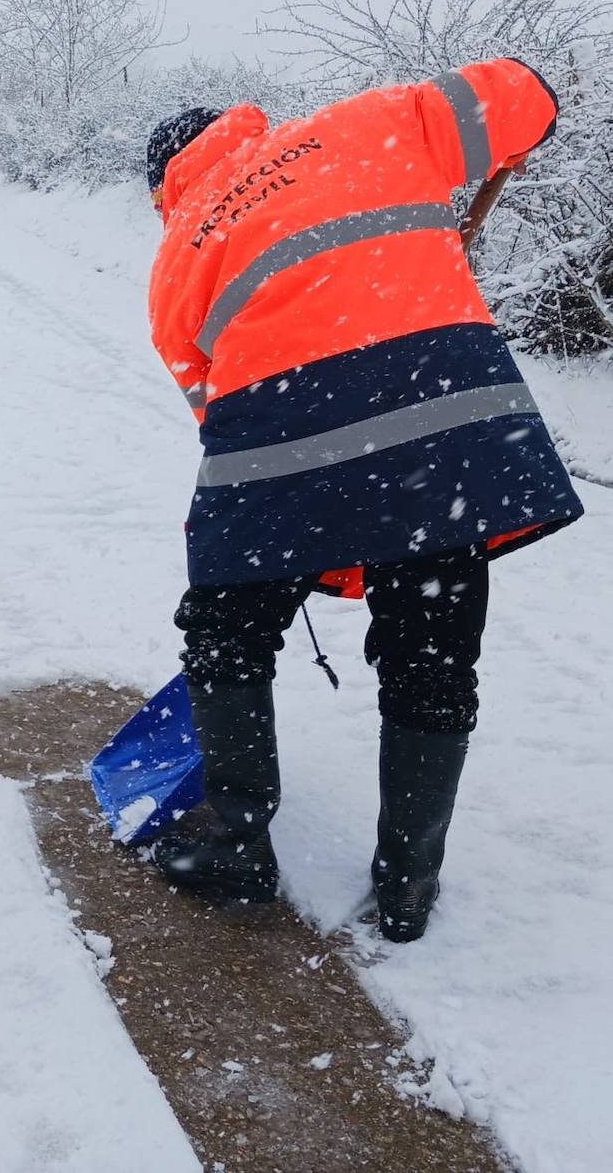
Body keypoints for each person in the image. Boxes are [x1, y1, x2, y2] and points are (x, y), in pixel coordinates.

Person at [143, 61, 583, 942]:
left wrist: (293, 534)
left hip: (284, 447)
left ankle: (237, 845)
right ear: (241, 127)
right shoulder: (367, 124)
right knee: (432, 652)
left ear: (165, 183)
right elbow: (522, 91)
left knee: (225, 630)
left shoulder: (176, 254)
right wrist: (522, 132)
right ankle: (409, 887)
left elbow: (213, 409)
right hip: (443, 429)